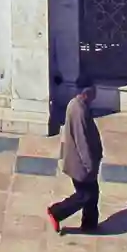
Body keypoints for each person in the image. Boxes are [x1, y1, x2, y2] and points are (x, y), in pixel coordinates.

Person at [47, 81, 103, 234]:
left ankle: (90, 224)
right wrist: (90, 165)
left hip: (80, 163)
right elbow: (82, 141)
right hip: (81, 165)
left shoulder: (78, 105)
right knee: (85, 195)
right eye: (93, 92)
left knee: (92, 194)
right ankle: (57, 212)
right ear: (87, 92)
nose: (95, 96)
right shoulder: (79, 110)